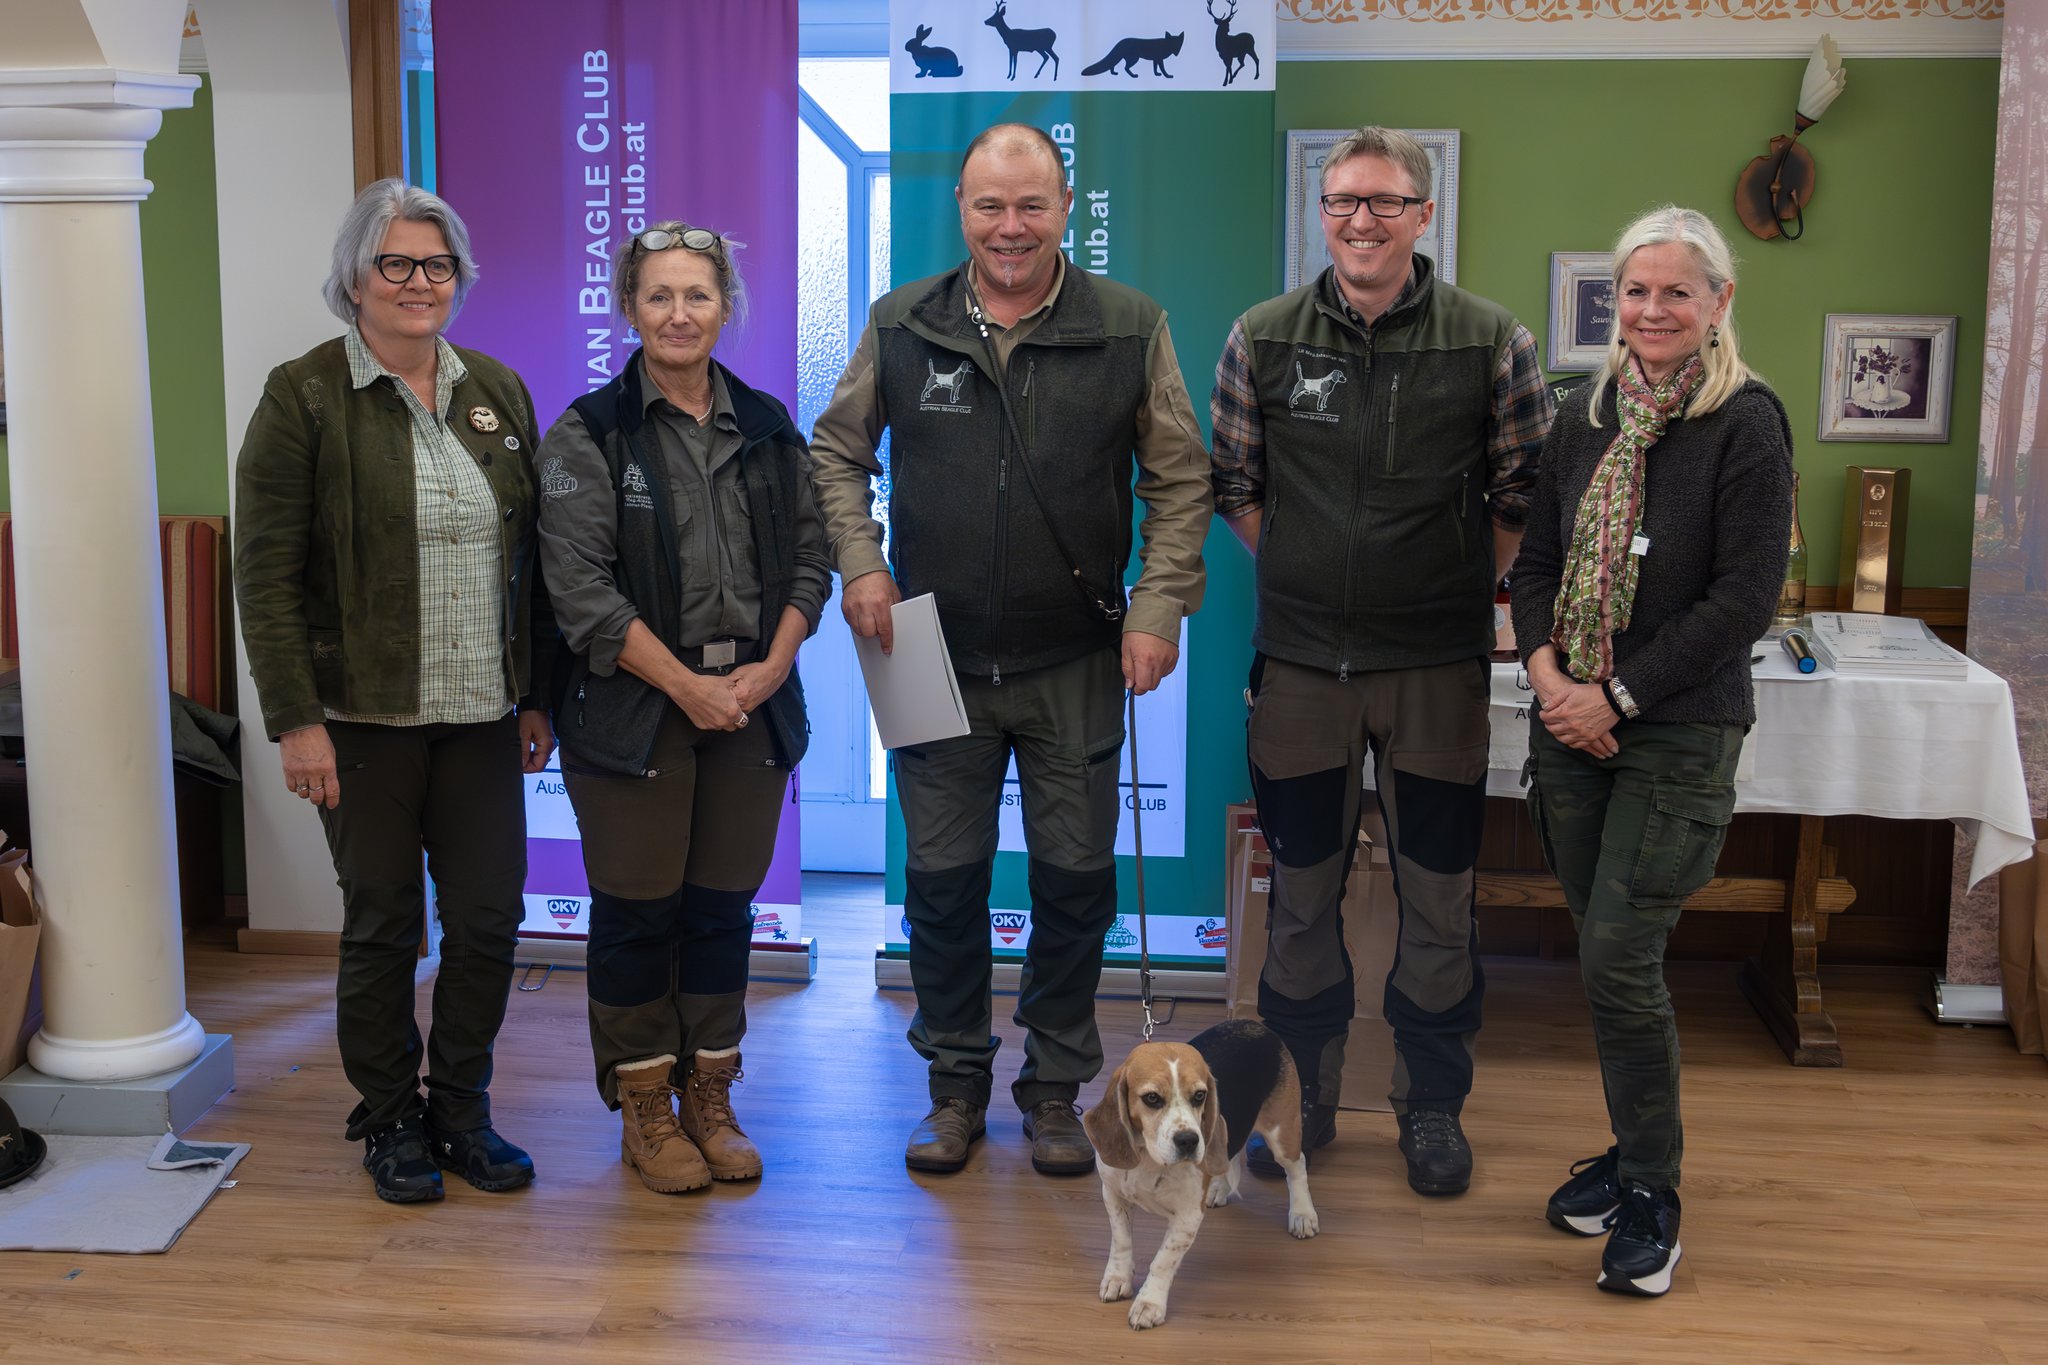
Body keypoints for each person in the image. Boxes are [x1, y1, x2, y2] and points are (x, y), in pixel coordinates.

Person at [810, 123, 1210, 1176]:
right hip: (919, 645)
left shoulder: (1129, 325)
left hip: (1074, 651)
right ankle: (953, 1088)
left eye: (1031, 205)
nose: (1010, 226)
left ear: (1065, 207)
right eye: (990, 205)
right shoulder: (901, 321)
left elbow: (1180, 478)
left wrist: (1157, 605)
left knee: (1075, 887)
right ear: (962, 209)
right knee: (941, 887)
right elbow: (835, 452)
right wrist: (860, 562)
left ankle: (1053, 1089)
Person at [1210, 126, 1553, 1196]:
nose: (1361, 220)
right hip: (1302, 672)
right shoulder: (1262, 336)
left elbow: (1525, 491)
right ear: (1322, 214)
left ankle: (1430, 1105)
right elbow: (1235, 485)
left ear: (1422, 214)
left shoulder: (1489, 339)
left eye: (1384, 201)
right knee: (1301, 901)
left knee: (1438, 902)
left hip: (1437, 675)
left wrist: (1447, 584)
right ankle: (1300, 1101)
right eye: (1342, 201)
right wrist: (1312, 573)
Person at [234, 179, 556, 1204]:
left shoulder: (495, 388)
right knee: (383, 922)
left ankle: (460, 1109)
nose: (420, 282)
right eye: (397, 263)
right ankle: (387, 1117)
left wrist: (536, 695)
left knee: (489, 919)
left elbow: (532, 562)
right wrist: (296, 721)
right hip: (359, 718)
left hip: (482, 715)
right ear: (355, 278)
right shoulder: (305, 394)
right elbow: (264, 575)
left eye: (437, 264)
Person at [1510, 205, 1791, 1296]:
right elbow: (1536, 565)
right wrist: (1551, 681)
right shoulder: (1582, 416)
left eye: (1678, 291)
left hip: (1675, 729)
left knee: (1620, 959)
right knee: (1603, 955)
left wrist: (1615, 696)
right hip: (1570, 724)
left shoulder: (1745, 422)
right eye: (1636, 290)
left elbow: (1743, 599)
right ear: (1613, 301)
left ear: (1720, 302)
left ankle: (1652, 1194)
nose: (1654, 310)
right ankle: (1631, 1153)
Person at [536, 222, 828, 1194]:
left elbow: (810, 560)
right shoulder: (590, 432)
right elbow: (580, 591)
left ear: (724, 306)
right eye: (657, 295)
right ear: (629, 307)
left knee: (719, 911)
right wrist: (686, 687)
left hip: (751, 703)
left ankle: (710, 1092)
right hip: (636, 711)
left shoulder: (769, 426)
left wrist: (772, 667)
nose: (677, 313)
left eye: (696, 294)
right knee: (636, 913)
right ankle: (644, 1106)